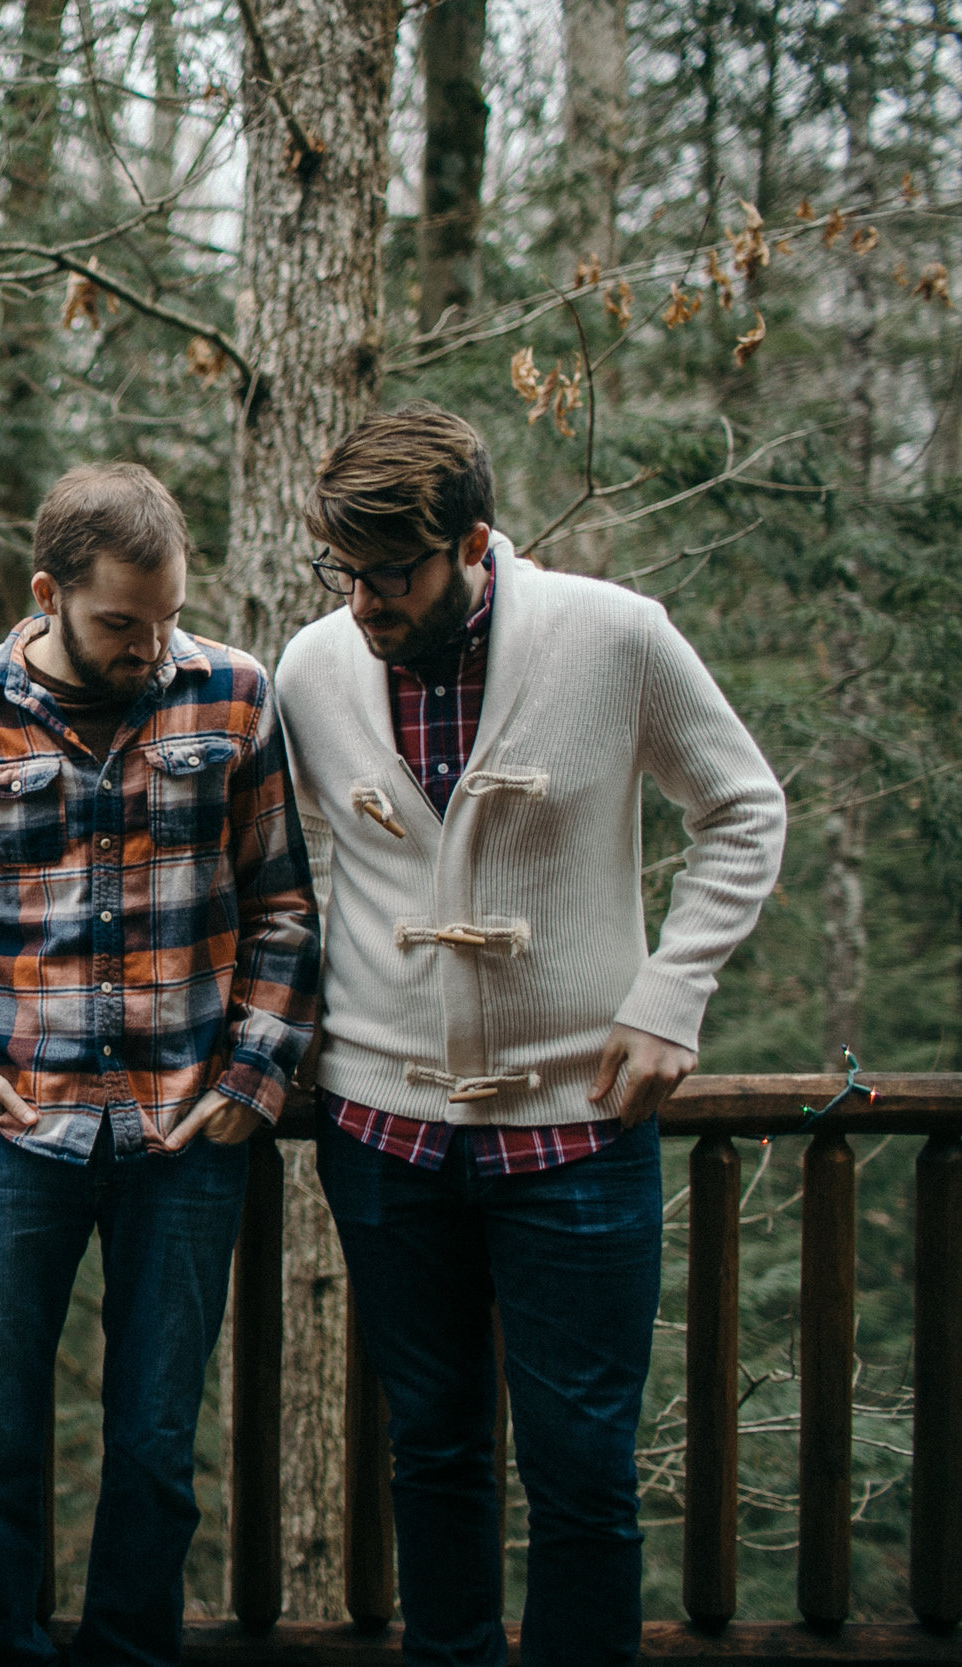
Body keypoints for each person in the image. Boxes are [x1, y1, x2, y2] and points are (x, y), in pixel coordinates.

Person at [276, 404, 786, 1667]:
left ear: (475, 542)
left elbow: (742, 805)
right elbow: (288, 866)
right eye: (343, 571)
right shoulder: (312, 666)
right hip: (380, 1134)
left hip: (576, 1129)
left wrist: (671, 995)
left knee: (581, 1473)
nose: (363, 602)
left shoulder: (611, 636)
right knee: (434, 1455)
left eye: (392, 573)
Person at [0, 462, 319, 1667]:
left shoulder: (234, 696)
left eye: (164, 616)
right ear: (48, 593)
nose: (148, 645)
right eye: (117, 624)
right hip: (11, 1133)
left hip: (185, 1133)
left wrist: (251, 1078)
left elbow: (284, 908)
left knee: (152, 1439)